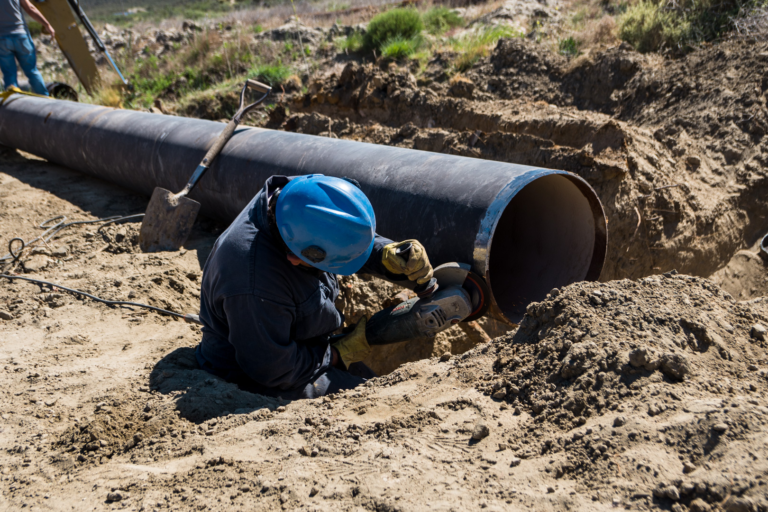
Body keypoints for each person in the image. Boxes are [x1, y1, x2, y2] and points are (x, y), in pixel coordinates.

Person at [196, 174, 434, 399]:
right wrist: (337, 355)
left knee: (374, 383)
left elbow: (339, 231)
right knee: (374, 401)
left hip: (298, 341)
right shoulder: (254, 282)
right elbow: (273, 369)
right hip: (257, 374)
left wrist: (384, 253)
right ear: (295, 257)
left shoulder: (302, 197)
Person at [0, 0, 54, 95]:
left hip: (2, 39)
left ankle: (13, 104)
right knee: (32, 71)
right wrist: (47, 25)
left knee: (9, 74)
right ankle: (45, 98)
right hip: (21, 36)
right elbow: (30, 9)